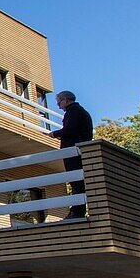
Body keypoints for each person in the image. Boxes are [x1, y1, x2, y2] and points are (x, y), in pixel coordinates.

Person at [50, 90, 93, 219]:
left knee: (76, 182)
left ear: (66, 100)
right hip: (78, 150)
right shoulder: (80, 112)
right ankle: (77, 210)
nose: (58, 106)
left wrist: (55, 134)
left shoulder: (73, 112)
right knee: (77, 182)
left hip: (73, 152)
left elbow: (70, 129)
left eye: (59, 102)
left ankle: (77, 212)